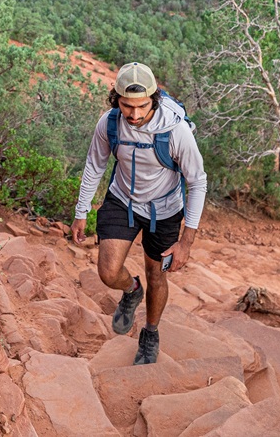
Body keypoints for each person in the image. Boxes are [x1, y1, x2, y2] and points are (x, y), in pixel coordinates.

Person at [71, 62, 208, 365]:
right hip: (123, 199)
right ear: (115, 100)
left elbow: (197, 181)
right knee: (107, 272)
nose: (134, 115)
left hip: (165, 209)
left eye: (142, 106)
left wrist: (186, 241)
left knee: (156, 275)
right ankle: (131, 292)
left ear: (154, 99)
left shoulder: (176, 130)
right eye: (126, 106)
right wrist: (81, 211)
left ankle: (150, 332)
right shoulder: (109, 123)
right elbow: (95, 165)